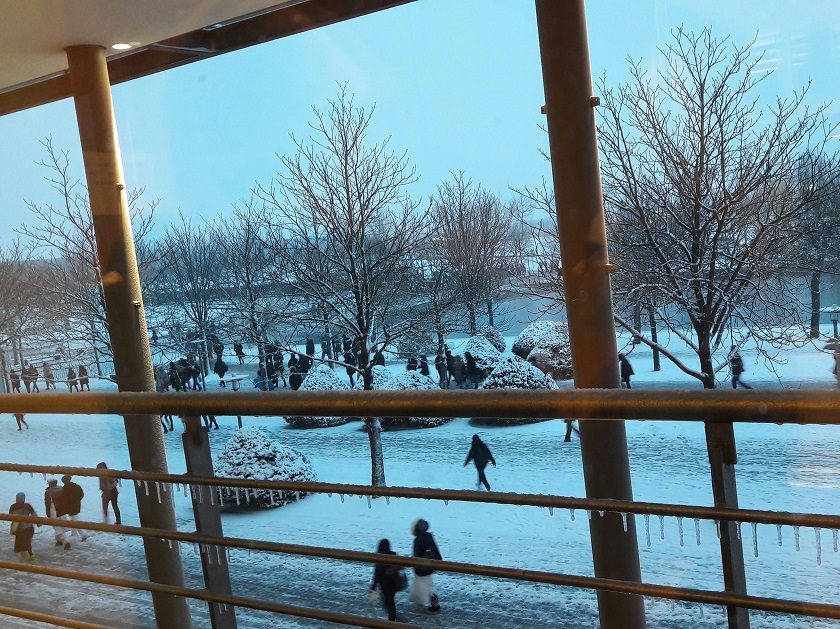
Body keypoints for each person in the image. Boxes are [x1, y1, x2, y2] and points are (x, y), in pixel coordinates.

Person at [369, 538, 407, 622]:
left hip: (385, 585)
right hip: (393, 583)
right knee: (390, 602)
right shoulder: (394, 555)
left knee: (388, 604)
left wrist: (373, 587)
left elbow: (377, 575)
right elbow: (400, 567)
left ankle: (392, 621)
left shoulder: (379, 558)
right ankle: (394, 618)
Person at [410, 518, 441, 612]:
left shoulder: (418, 539)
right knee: (427, 584)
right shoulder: (428, 536)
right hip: (430, 565)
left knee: (426, 585)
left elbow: (417, 554)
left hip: (423, 567)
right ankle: (430, 601)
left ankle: (432, 602)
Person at [57, 475, 88, 549]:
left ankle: (83, 535)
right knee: (74, 519)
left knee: (74, 521)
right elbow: (82, 495)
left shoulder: (65, 489)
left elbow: (63, 499)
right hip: (77, 506)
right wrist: (77, 501)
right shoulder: (77, 486)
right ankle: (74, 533)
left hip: (70, 507)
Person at [9, 493, 37, 561]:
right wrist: (39, 523)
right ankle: (30, 555)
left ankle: (27, 557)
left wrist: (13, 529)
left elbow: (10, 517)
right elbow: (34, 515)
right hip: (29, 528)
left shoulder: (13, 507)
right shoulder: (28, 506)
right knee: (27, 542)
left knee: (21, 543)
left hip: (19, 529)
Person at [44, 479, 64, 546]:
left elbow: (47, 503)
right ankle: (59, 540)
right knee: (60, 525)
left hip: (53, 510)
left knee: (56, 526)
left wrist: (47, 512)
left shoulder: (48, 492)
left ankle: (65, 541)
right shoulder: (61, 489)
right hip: (61, 509)